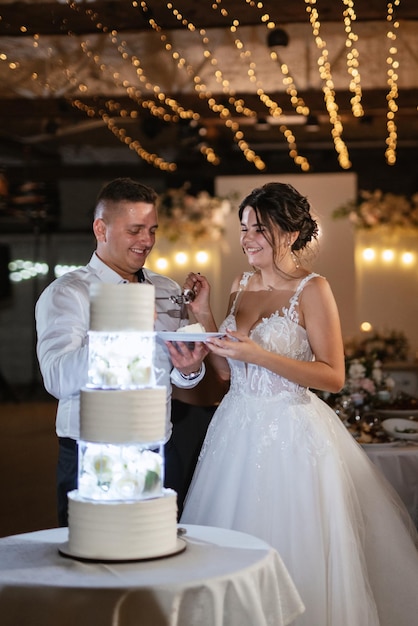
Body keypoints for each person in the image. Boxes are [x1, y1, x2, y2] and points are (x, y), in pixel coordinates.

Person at [180, 182, 418, 626]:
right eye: (244, 228)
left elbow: (333, 375)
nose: (246, 238)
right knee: (232, 545)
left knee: (291, 544)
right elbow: (228, 372)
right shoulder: (240, 283)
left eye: (258, 228)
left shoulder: (313, 289)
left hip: (290, 434)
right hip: (235, 430)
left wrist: (262, 355)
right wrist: (204, 315)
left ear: (288, 234)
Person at [35, 177, 208, 526]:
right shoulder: (68, 293)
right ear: (101, 228)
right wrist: (126, 330)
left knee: (163, 559)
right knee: (93, 566)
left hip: (159, 449)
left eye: (152, 229)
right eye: (135, 230)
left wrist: (189, 371)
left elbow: (175, 375)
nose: (147, 241)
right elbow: (56, 377)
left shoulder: (166, 289)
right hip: (92, 454)